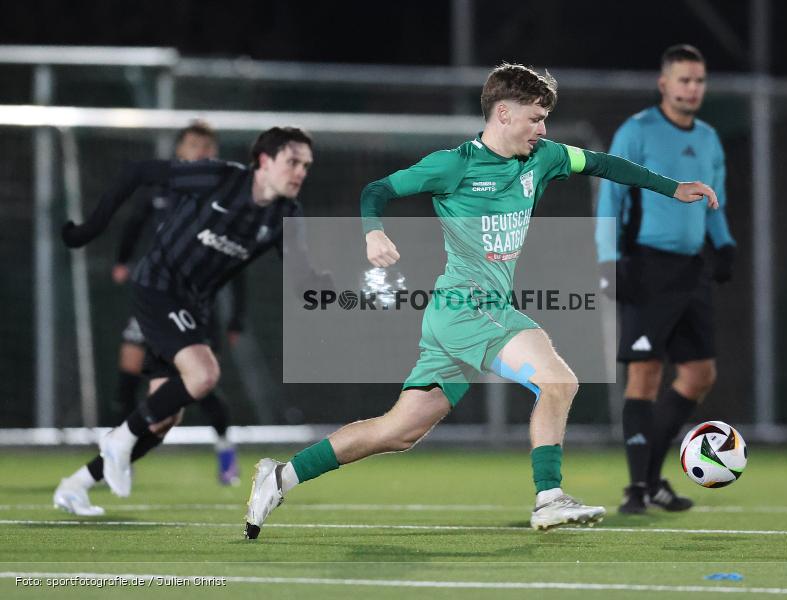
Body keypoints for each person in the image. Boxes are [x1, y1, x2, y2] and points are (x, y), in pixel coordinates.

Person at [243, 63, 719, 539]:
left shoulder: (544, 158)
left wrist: (672, 188)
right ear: (504, 114)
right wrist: (374, 233)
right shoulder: (455, 165)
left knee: (398, 431)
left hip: (468, 314)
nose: (543, 130)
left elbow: (604, 164)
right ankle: (549, 497)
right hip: (466, 309)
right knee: (558, 380)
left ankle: (281, 476)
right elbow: (378, 190)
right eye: (536, 119)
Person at [53, 127, 331, 516]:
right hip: (157, 287)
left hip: (193, 307)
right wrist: (87, 231)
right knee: (203, 374)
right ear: (264, 161)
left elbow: (301, 279)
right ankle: (118, 439)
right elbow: (136, 172)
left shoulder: (287, 214)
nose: (300, 172)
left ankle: (75, 486)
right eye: (293, 162)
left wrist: (333, 287)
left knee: (163, 419)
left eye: (306, 165)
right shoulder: (219, 177)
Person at [595, 45, 736, 515]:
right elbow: (610, 199)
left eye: (699, 81)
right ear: (664, 84)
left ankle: (652, 480)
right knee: (645, 374)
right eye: (684, 80)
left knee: (699, 376)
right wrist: (608, 260)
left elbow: (715, 204)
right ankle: (637, 488)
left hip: (691, 269)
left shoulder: (710, 138)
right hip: (645, 265)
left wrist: (724, 245)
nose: (692, 88)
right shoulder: (636, 131)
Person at [109, 121, 243, 487]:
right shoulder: (163, 188)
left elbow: (238, 259)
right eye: (195, 144)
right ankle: (121, 455)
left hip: (195, 304)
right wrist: (122, 260)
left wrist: (237, 318)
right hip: (154, 297)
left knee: (201, 383)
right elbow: (134, 222)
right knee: (127, 376)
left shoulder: (224, 199)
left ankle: (225, 451)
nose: (202, 151)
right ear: (180, 150)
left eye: (208, 146)